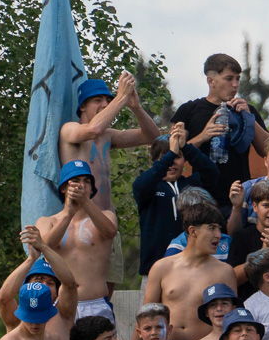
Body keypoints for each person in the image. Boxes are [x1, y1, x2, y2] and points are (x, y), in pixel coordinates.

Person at [173, 53, 269, 203]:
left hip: (238, 196)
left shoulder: (247, 111)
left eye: (238, 79)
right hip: (201, 198)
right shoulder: (189, 110)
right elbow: (173, 156)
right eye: (229, 78)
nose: (235, 84)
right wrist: (202, 136)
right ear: (211, 81)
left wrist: (249, 118)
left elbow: (268, 151)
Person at [144, 201, 239, 340]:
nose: (219, 235)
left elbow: (232, 319)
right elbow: (146, 316)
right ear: (193, 231)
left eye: (219, 229)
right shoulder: (161, 267)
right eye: (212, 228)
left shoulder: (225, 272)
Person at [59, 72, 162, 208]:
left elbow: (154, 138)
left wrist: (136, 107)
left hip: (106, 218)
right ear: (83, 106)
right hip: (80, 220)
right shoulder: (69, 129)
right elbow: (93, 129)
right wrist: (121, 97)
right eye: (98, 100)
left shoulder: (108, 136)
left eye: (108, 101)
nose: (105, 105)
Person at [37, 160, 120, 322]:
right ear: (63, 188)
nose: (81, 185)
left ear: (91, 189)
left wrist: (85, 202)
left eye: (86, 181)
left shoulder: (107, 216)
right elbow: (44, 246)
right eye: (75, 181)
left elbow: (110, 232)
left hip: (95, 303)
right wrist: (68, 214)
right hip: (59, 304)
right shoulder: (47, 221)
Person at [133, 124, 212, 274]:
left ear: (184, 160)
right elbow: (141, 185)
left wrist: (186, 147)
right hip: (155, 269)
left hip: (193, 268)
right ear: (154, 163)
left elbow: (211, 173)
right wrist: (172, 153)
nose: (171, 163)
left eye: (177, 157)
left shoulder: (192, 183)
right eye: (165, 158)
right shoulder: (148, 187)